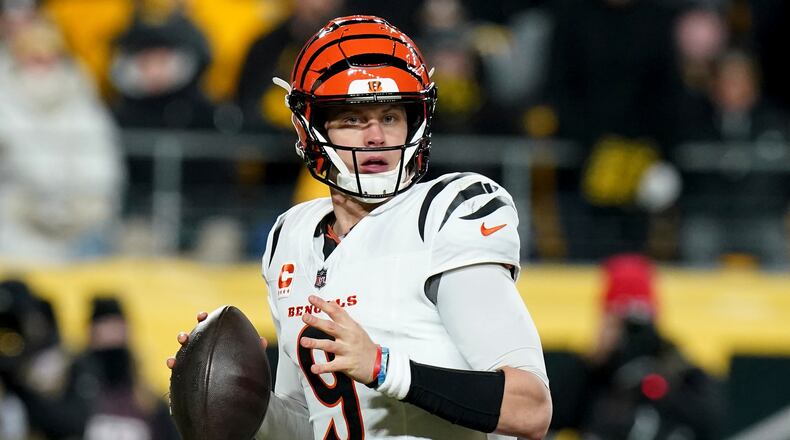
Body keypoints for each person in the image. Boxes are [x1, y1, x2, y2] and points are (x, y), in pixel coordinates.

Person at [169, 15, 552, 440]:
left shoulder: (443, 215)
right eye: (353, 118)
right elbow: (317, 422)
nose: (374, 136)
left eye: (390, 116)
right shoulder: (291, 237)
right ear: (310, 127)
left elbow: (530, 407)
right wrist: (235, 401)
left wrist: (383, 367)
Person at [547, 254, 723, 439]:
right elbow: (554, 417)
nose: (632, 331)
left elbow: (709, 423)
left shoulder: (677, 368)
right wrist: (594, 360)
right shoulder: (596, 371)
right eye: (623, 321)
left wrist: (662, 381)